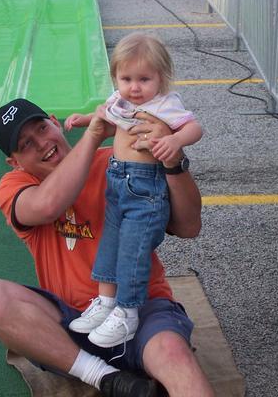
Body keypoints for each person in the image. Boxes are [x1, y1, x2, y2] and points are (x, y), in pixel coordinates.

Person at [0, 97, 214, 397]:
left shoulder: (118, 160)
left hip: (140, 309)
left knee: (174, 355)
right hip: (73, 326)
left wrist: (173, 162)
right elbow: (47, 206)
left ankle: (128, 375)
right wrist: (93, 134)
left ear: (54, 121)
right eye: (25, 144)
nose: (41, 143)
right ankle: (107, 378)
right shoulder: (13, 184)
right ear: (15, 162)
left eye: (41, 128)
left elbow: (189, 227)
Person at [63, 32, 203, 348]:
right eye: (126, 78)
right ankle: (106, 303)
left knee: (133, 250)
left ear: (161, 78)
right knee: (110, 245)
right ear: (116, 78)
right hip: (117, 185)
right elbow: (110, 120)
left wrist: (175, 140)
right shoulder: (120, 100)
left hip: (146, 189)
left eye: (144, 79)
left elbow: (194, 127)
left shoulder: (165, 104)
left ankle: (128, 312)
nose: (134, 87)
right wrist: (86, 119)